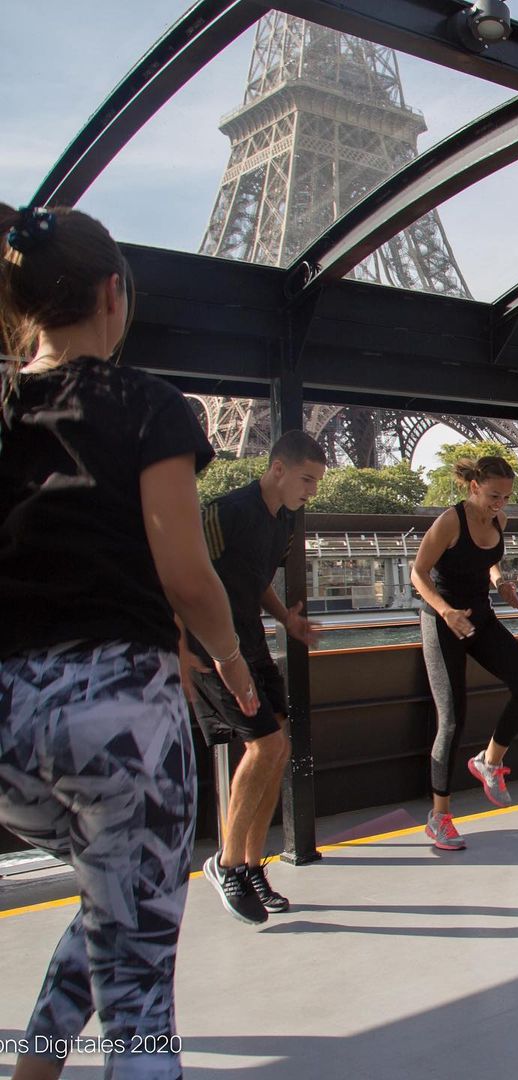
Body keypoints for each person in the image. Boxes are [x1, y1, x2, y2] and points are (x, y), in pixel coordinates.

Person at [0, 203, 256, 1080]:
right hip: (116, 719)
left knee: (112, 899)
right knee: (141, 989)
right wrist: (227, 654)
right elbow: (185, 573)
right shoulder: (146, 404)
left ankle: (33, 1068)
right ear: (115, 295)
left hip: (5, 725)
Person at [188, 430, 326, 925]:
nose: (311, 490)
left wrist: (286, 620)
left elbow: (257, 579)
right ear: (277, 469)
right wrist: (178, 643)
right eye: (307, 479)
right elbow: (178, 568)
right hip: (208, 643)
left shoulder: (285, 522)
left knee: (280, 745)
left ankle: (249, 866)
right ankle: (225, 865)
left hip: (249, 639)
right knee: (265, 747)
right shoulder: (224, 511)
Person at [410, 456, 518, 850]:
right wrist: (445, 612)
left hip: (479, 617)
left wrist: (501, 582)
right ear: (473, 488)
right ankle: (440, 817)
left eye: (505, 496)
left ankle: (490, 761)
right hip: (443, 620)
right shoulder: (451, 521)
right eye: (492, 495)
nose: (499, 503)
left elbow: (490, 560)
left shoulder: (501, 520)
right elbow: (419, 571)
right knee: (452, 720)